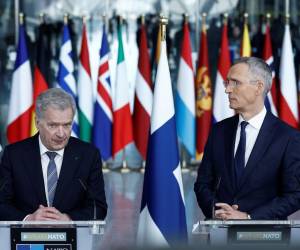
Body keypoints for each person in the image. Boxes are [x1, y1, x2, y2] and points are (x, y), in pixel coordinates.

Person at [194, 57, 300, 220]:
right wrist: (217, 212)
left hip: (267, 239)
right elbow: (203, 183)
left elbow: (294, 195)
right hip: (220, 235)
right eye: (227, 83)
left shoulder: (288, 137)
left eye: (235, 83)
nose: (227, 90)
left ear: (258, 87)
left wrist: (248, 217)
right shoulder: (218, 131)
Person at [0, 88, 107, 221]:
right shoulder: (13, 155)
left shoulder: (89, 155)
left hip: (73, 237)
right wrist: (28, 219)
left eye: (67, 125)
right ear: (37, 123)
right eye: (53, 125)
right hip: (26, 237)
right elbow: (2, 204)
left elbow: (99, 208)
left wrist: (68, 219)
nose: (61, 134)